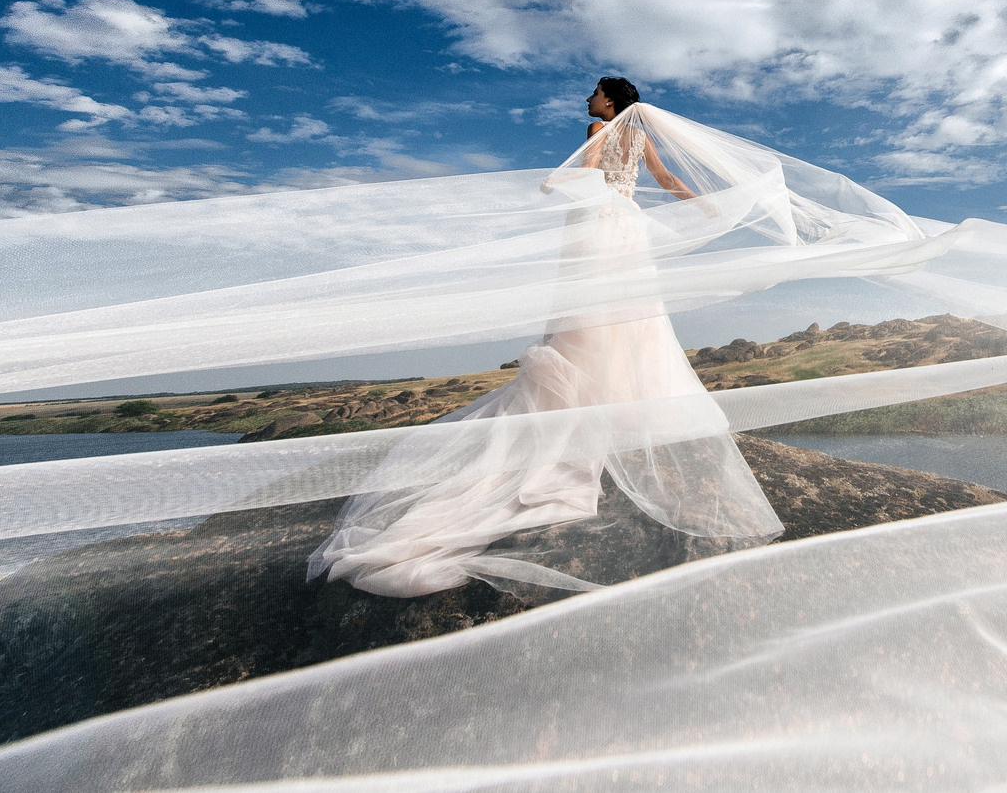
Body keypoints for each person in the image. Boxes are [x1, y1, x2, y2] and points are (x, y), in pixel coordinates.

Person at [309, 78, 776, 597]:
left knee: (584, 314)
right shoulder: (641, 139)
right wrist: (707, 206)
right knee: (632, 313)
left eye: (595, 93)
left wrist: (555, 181)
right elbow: (665, 180)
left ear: (610, 101)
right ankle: (624, 399)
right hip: (630, 228)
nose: (588, 100)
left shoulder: (598, 128)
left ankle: (580, 399)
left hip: (598, 226)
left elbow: (588, 168)